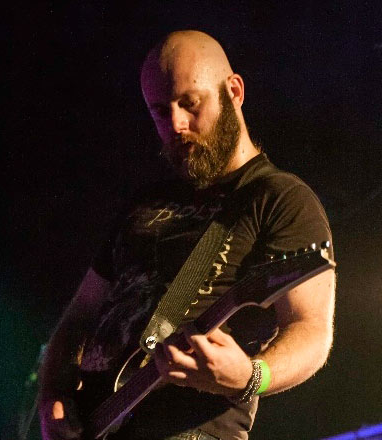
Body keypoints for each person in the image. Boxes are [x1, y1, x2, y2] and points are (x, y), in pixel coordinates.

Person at [38, 30, 335, 440]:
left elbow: (311, 330)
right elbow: (79, 316)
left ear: (234, 91)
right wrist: (53, 394)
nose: (176, 124)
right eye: (161, 111)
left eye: (189, 103)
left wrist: (250, 376)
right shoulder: (144, 203)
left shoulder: (280, 199)